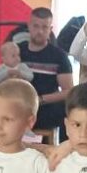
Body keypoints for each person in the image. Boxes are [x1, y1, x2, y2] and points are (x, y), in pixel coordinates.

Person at [11, 7, 74, 139]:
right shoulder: (17, 52)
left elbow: (68, 91)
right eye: (36, 26)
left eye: (44, 27)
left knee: (70, 108)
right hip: (19, 106)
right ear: (29, 26)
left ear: (50, 29)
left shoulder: (59, 56)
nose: (40, 31)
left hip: (45, 108)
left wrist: (40, 100)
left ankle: (65, 149)